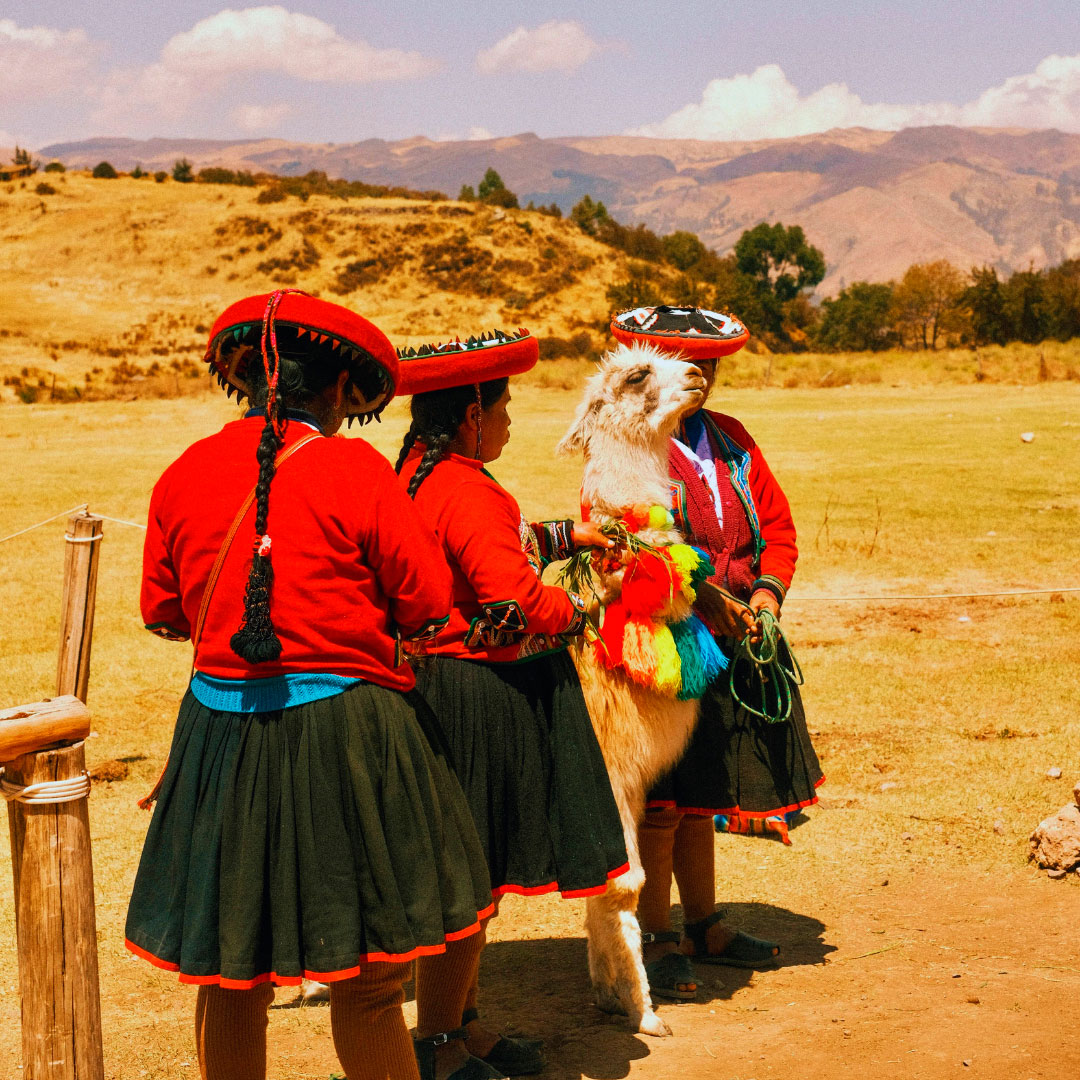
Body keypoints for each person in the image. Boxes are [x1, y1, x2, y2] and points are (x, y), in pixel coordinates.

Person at [126, 291, 493, 1080]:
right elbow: (427, 602)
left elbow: (162, 610)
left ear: (249, 380)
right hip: (350, 738)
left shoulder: (183, 472)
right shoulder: (355, 469)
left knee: (232, 977)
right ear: (339, 390)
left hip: (221, 733)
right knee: (370, 982)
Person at [393, 330, 630, 1078]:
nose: (508, 422)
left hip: (434, 685)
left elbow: (485, 548)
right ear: (471, 415)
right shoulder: (466, 488)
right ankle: (440, 1043)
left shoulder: (419, 472)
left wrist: (566, 535)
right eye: (502, 408)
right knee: (471, 879)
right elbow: (511, 602)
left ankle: (461, 1025)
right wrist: (581, 607)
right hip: (475, 698)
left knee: (467, 872)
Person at [609, 305, 823, 1001]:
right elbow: (635, 544)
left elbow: (777, 527)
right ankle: (657, 936)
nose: (701, 376)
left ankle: (703, 925)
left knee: (699, 796)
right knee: (662, 802)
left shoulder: (731, 439)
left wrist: (764, 598)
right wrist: (706, 599)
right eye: (685, 365)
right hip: (663, 643)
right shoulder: (630, 444)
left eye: (709, 364)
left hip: (735, 638)